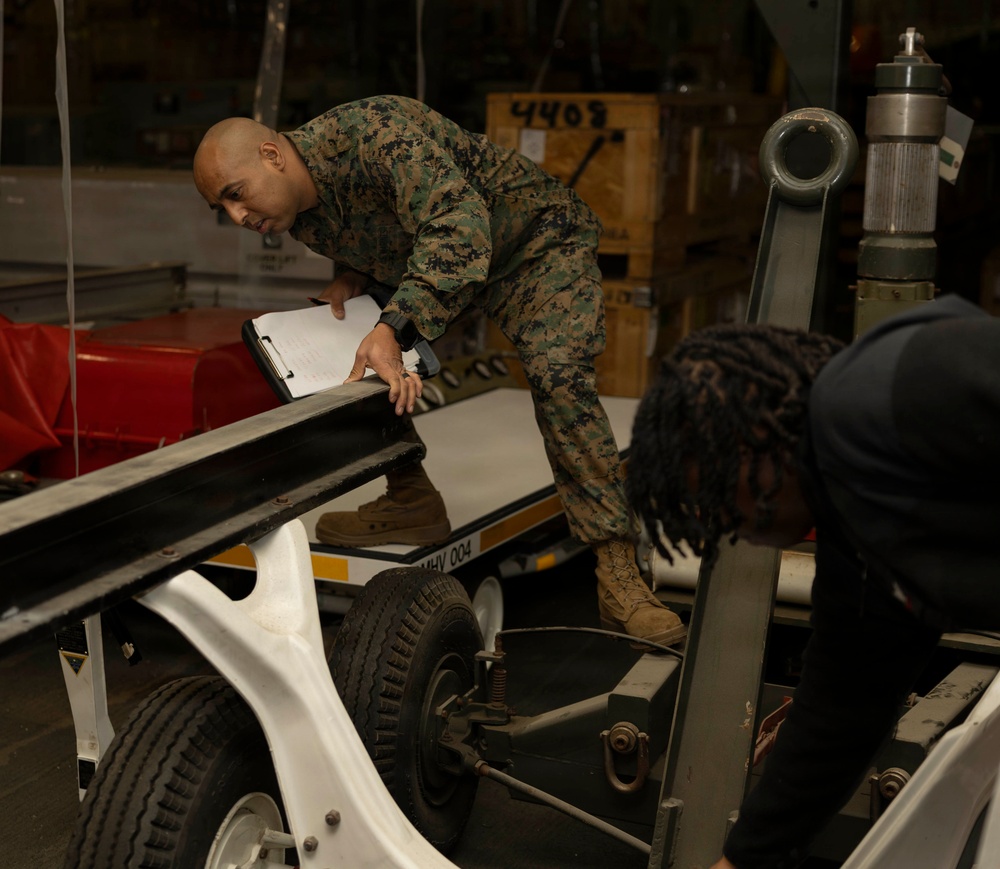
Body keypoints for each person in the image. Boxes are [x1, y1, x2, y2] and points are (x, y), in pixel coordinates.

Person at [192, 95, 686, 647]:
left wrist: (394, 327)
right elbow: (383, 229)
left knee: (558, 376)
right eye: (224, 209)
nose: (239, 217)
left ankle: (619, 575)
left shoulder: (375, 137)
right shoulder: (294, 211)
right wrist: (352, 277)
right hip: (443, 259)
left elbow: (458, 227)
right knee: (346, 349)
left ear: (271, 155)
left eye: (236, 195)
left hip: (532, 246)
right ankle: (411, 497)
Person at [626, 293, 1000, 868]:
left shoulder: (903, 381)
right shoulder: (854, 528)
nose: (715, 524)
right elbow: (842, 706)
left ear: (752, 444)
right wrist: (743, 860)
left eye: (715, 494)